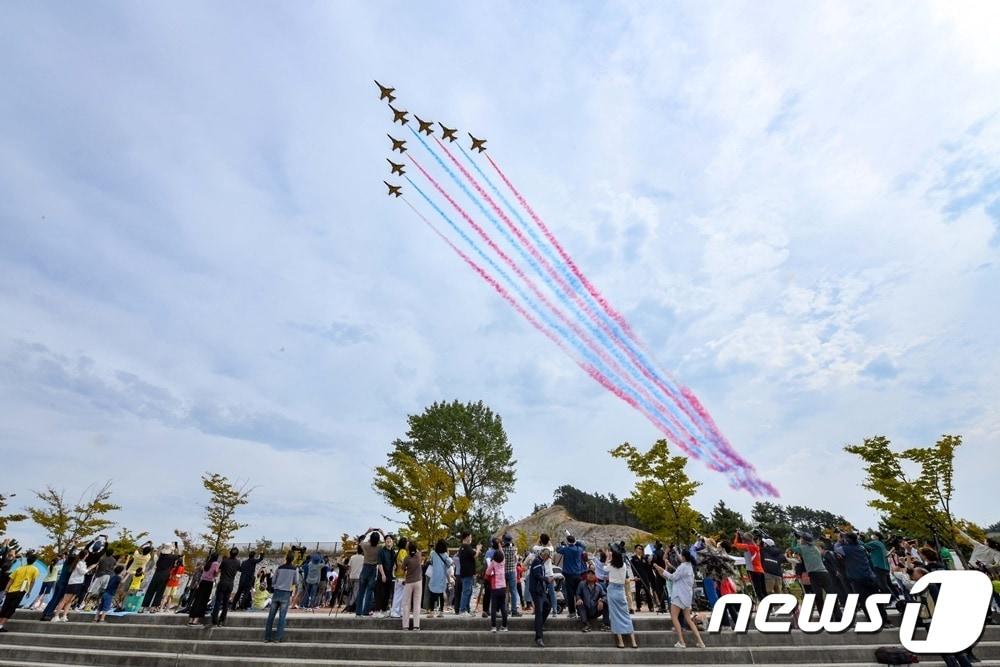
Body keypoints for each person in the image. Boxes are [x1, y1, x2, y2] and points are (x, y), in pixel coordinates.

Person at [656, 548, 705, 649]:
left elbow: (673, 577)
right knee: (689, 620)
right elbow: (678, 575)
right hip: (687, 597)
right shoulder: (689, 566)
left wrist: (661, 569)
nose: (679, 557)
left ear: (683, 557)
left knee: (674, 617)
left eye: (680, 555)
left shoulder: (683, 566)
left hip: (679, 596)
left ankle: (681, 642)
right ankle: (700, 642)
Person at [841, 532, 890, 627]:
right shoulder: (862, 549)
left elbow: (837, 547)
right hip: (870, 576)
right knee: (876, 599)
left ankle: (873, 621)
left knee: (864, 601)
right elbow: (869, 560)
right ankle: (885, 620)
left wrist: (841, 540)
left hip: (857, 579)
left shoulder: (846, 549)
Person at [791, 533, 841, 620]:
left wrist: (795, 538)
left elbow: (793, 547)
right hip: (824, 573)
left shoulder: (803, 548)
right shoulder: (815, 547)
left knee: (818, 597)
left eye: (801, 539)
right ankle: (838, 616)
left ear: (803, 540)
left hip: (814, 575)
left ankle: (824, 618)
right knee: (831, 595)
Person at [606, 546, 638, 648]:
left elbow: (604, 568)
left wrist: (608, 557)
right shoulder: (624, 565)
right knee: (626, 615)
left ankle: (621, 642)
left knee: (615, 616)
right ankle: (633, 642)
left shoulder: (611, 565)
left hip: (612, 590)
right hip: (621, 591)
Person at [0, 551, 40, 632]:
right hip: (21, 591)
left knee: (5, 606)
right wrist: (29, 591)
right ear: (34, 561)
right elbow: (32, 581)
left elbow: (10, 581)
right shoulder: (35, 569)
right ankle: (1, 625)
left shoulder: (19, 568)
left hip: (11, 590)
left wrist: (6, 590)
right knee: (11, 608)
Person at [264, 552, 297, 643]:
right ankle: (278, 638)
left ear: (286, 558)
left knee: (271, 616)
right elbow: (295, 581)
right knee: (282, 617)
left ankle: (267, 637)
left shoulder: (279, 568)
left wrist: (276, 585)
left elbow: (273, 580)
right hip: (286, 593)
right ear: (292, 559)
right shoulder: (294, 569)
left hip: (277, 592)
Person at [53, 549, 93, 622]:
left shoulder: (82, 562)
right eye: (87, 554)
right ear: (85, 555)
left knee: (70, 601)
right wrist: (91, 567)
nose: (88, 555)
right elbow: (82, 572)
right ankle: (56, 616)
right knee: (65, 600)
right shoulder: (79, 562)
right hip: (73, 582)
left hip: (78, 582)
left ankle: (64, 615)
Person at [143, 542, 182, 613]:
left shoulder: (161, 556)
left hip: (156, 574)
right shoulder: (172, 557)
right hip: (165, 575)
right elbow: (179, 554)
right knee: (159, 592)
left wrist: (162, 547)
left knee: (150, 590)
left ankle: (144, 607)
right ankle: (153, 607)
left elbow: (157, 552)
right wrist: (176, 546)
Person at [528, 547, 554, 647]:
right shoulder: (537, 562)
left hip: (541, 590)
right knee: (539, 612)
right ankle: (538, 637)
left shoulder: (540, 562)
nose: (548, 558)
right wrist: (547, 579)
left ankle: (538, 625)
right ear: (545, 555)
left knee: (548, 606)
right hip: (536, 591)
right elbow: (537, 575)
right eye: (548, 556)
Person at [355, 529, 383, 616]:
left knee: (361, 591)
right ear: (378, 540)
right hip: (373, 569)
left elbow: (360, 540)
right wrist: (382, 532)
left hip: (365, 567)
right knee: (369, 592)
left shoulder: (366, 546)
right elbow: (387, 542)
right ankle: (366, 611)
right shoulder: (379, 547)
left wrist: (367, 531)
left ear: (370, 538)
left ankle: (358, 611)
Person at [557, 534, 586, 618]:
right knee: (579, 593)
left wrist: (563, 545)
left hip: (569, 575)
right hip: (578, 574)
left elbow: (558, 549)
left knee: (570, 594)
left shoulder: (566, 549)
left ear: (567, 541)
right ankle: (580, 611)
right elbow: (583, 546)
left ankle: (572, 612)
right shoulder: (579, 549)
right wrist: (577, 542)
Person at [187, 552, 219, 626]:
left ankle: (191, 619)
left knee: (197, 600)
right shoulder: (216, 564)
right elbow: (216, 574)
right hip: (209, 583)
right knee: (203, 601)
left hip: (202, 582)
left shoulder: (207, 563)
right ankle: (196, 620)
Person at [212, 547, 241, 625]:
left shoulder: (225, 561)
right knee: (226, 603)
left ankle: (214, 619)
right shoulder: (238, 562)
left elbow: (219, 570)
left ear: (230, 553)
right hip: (230, 584)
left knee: (218, 601)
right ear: (237, 554)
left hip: (222, 582)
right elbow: (240, 569)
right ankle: (222, 620)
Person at [733, 531, 765, 601]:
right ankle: (769, 607)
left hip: (753, 570)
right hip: (761, 570)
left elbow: (735, 544)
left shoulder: (748, 547)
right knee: (763, 590)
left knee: (758, 591)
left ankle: (764, 606)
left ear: (745, 540)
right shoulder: (756, 546)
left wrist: (737, 536)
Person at [484, 544, 508, 632]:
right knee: (503, 607)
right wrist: (500, 547)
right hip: (503, 587)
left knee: (493, 608)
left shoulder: (493, 563)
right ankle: (504, 626)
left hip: (495, 588)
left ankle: (494, 626)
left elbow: (487, 573)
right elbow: (502, 553)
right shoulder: (503, 561)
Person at [401, 541, 423, 630]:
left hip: (409, 582)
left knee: (406, 604)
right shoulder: (419, 555)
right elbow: (416, 549)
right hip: (418, 581)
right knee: (417, 604)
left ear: (408, 549)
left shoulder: (406, 558)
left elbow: (402, 568)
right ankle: (416, 625)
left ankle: (405, 625)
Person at [428, 539, 452, 618]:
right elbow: (449, 563)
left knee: (432, 594)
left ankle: (431, 611)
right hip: (442, 577)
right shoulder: (445, 555)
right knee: (441, 594)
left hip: (434, 577)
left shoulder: (433, 553)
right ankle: (441, 612)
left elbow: (430, 562)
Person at [457, 532, 479, 615]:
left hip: (464, 572)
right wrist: (478, 548)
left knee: (468, 591)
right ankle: (463, 610)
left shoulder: (462, 547)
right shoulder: (466, 547)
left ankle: (467, 609)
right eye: (470, 536)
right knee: (466, 591)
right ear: (466, 537)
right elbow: (475, 555)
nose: (471, 538)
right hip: (468, 573)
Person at [501, 533, 521, 617]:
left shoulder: (501, 550)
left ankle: (505, 610)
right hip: (512, 572)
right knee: (513, 591)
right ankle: (514, 611)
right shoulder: (514, 549)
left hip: (503, 572)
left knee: (504, 592)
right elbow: (517, 559)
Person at [390, 537, 409, 618]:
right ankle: (395, 611)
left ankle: (398, 611)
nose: (408, 544)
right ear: (404, 544)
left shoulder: (399, 552)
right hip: (402, 576)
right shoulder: (403, 551)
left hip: (398, 576)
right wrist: (406, 569)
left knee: (400, 595)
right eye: (407, 542)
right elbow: (402, 562)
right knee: (399, 596)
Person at [346, 545, 364, 612]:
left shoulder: (352, 557)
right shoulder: (363, 558)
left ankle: (348, 604)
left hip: (351, 576)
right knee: (355, 592)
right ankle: (351, 605)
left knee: (350, 592)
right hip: (358, 577)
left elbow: (349, 567)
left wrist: (348, 574)